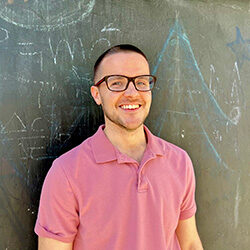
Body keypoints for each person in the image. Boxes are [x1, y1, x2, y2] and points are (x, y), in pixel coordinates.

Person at [35, 44, 203, 250]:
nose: (132, 93)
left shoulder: (179, 162)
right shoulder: (67, 173)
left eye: (141, 82)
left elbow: (190, 243)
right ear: (97, 94)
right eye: (117, 83)